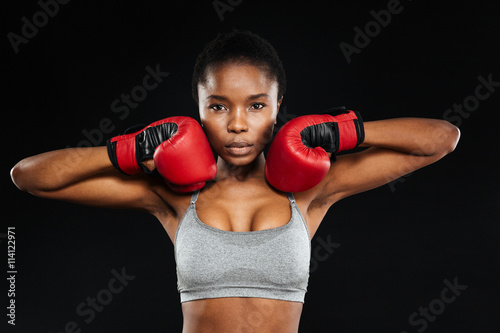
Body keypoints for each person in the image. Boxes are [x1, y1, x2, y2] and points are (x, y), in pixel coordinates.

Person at [10, 30, 460, 332]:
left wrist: (347, 131)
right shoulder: (170, 192)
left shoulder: (310, 188)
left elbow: (442, 139)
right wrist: (128, 149)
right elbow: (29, 177)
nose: (238, 124)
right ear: (198, 108)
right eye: (220, 106)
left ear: (280, 105)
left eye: (257, 105)